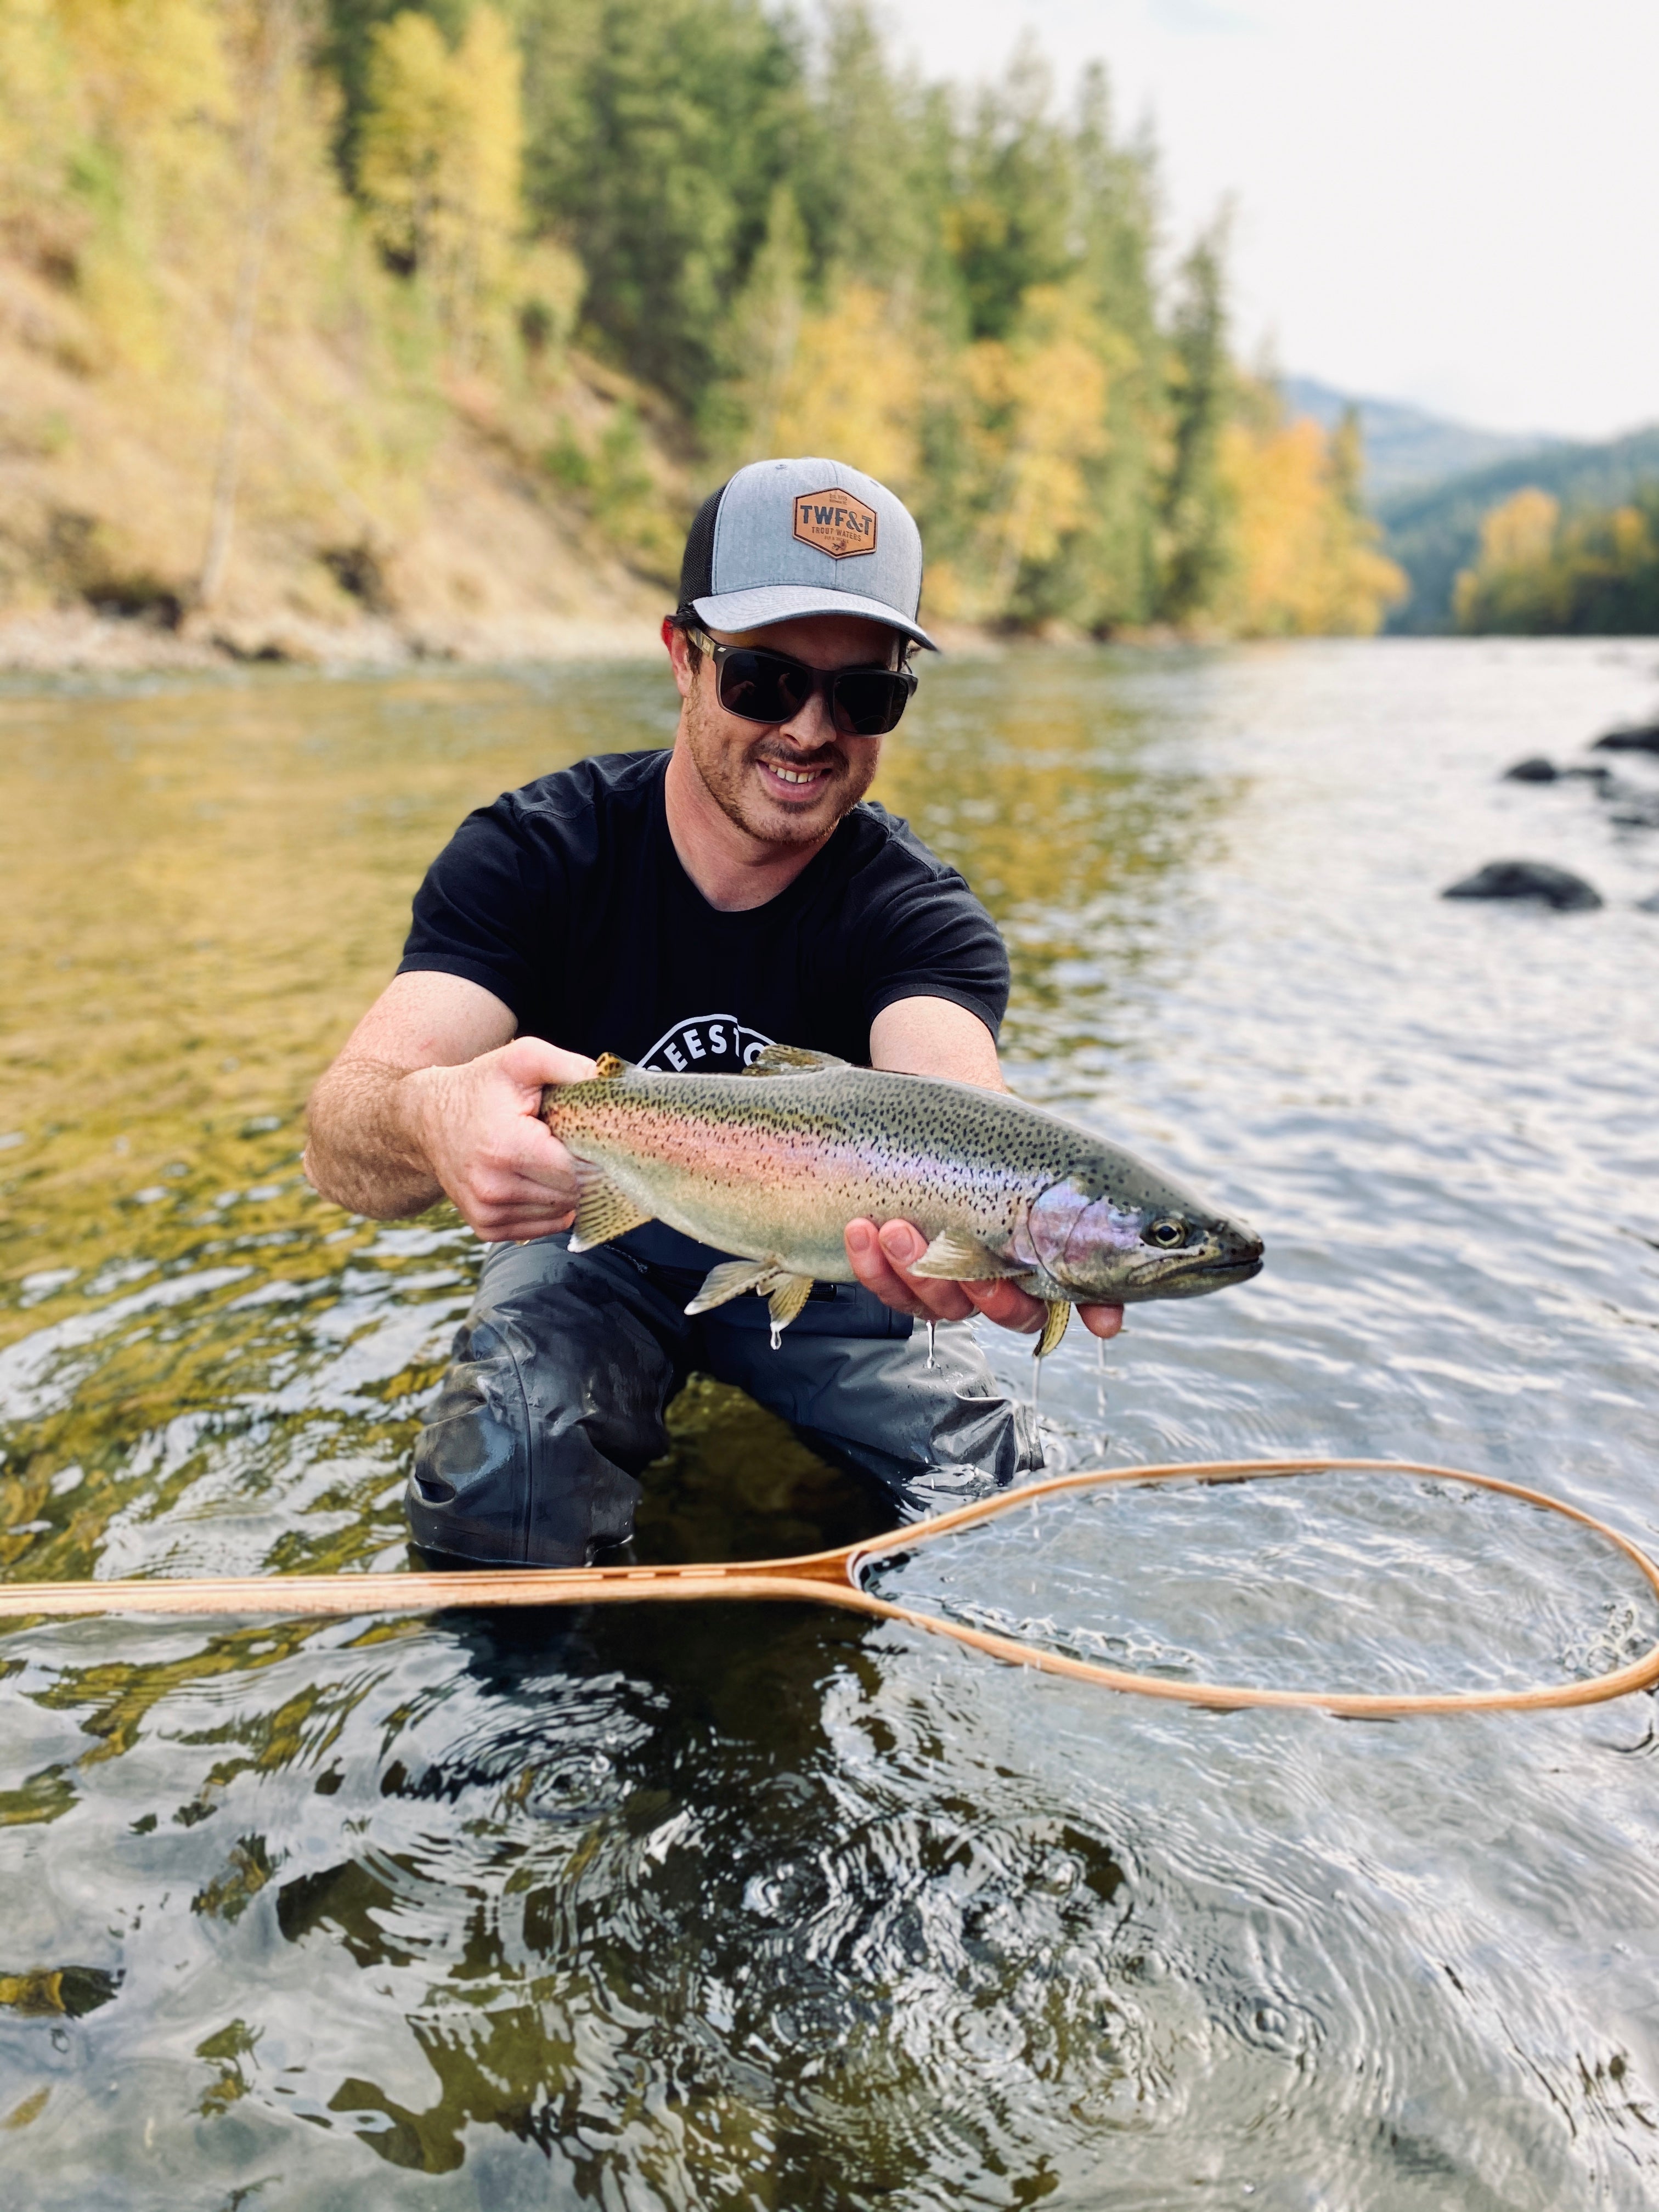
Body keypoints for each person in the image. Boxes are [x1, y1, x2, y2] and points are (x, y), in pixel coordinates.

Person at [304, 456, 1122, 1567]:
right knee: (504, 1467)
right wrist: (432, 1120)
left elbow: (958, 1099)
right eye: (765, 680)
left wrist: (998, 1230)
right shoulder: (538, 854)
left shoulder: (920, 916)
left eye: (864, 695)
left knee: (1004, 1493)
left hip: (834, 1251)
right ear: (682, 659)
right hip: (588, 1241)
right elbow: (340, 1134)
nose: (811, 730)